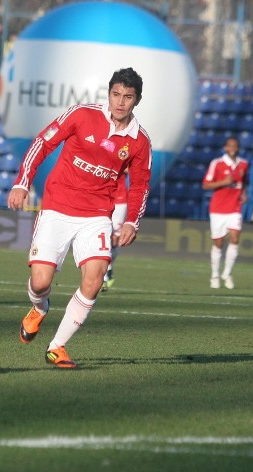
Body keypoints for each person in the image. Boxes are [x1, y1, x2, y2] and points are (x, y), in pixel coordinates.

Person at [8, 67, 152, 369]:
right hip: (57, 206)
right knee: (40, 281)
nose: (120, 102)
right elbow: (42, 142)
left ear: (137, 100)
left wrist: (131, 221)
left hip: (97, 214)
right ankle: (39, 307)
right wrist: (23, 182)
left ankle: (57, 346)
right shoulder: (82, 114)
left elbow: (139, 185)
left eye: (128, 97)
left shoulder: (139, 141)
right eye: (116, 94)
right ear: (108, 93)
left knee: (95, 278)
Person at [202, 136, 248, 290]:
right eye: (230, 146)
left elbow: (244, 181)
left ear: (238, 148)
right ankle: (214, 275)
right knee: (218, 243)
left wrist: (243, 192)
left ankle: (227, 273)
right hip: (218, 209)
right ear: (225, 147)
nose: (233, 148)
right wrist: (223, 182)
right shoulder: (217, 164)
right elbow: (206, 185)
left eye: (235, 146)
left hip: (235, 208)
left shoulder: (243, 164)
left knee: (235, 237)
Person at [101, 172, 128, 292]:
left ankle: (108, 270)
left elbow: (128, 169)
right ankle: (106, 273)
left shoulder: (124, 153)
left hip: (120, 201)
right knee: (104, 235)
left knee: (115, 239)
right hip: (104, 198)